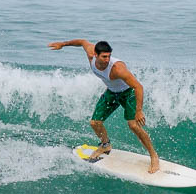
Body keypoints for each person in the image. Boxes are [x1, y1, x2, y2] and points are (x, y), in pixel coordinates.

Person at [48, 39, 160, 173]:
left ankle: (154, 155)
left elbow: (138, 87)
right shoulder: (90, 54)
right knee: (95, 123)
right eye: (104, 56)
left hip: (128, 93)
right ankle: (105, 145)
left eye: (109, 56)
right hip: (112, 92)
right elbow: (83, 42)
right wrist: (63, 44)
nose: (107, 60)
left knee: (134, 125)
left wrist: (139, 111)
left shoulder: (118, 69)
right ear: (95, 54)